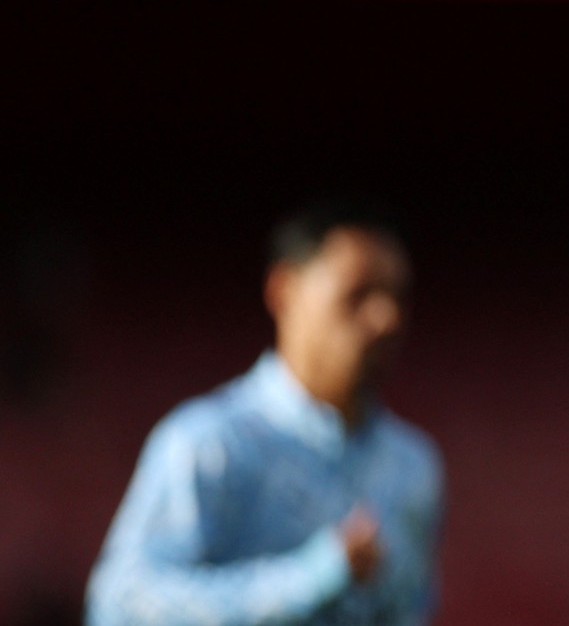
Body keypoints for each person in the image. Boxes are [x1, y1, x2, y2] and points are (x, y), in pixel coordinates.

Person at [86, 199, 444, 625]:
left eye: (397, 297)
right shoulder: (211, 443)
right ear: (284, 291)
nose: (386, 318)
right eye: (358, 293)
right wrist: (309, 579)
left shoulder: (412, 466)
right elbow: (121, 605)